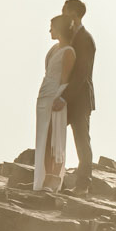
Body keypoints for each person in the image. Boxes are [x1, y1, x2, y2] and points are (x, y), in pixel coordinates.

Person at [33, 13, 77, 193]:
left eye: (52, 27)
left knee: (54, 138)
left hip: (55, 98)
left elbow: (65, 79)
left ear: (59, 29)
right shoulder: (53, 50)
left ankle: (53, 179)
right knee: (43, 137)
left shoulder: (69, 52)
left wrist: (60, 97)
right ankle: (42, 178)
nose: (49, 30)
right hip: (44, 95)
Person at [62, 0, 96, 188]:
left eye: (64, 11)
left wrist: (64, 97)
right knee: (54, 134)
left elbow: (82, 73)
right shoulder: (69, 37)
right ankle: (51, 178)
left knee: (82, 139)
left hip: (80, 98)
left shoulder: (85, 39)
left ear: (73, 14)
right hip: (66, 96)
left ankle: (83, 185)